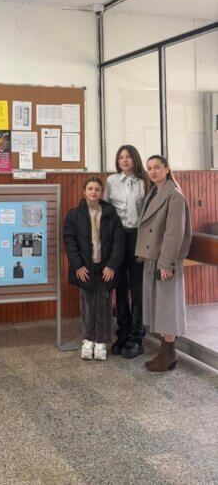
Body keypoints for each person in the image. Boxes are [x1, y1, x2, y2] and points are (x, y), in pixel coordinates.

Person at [135, 155, 191, 372]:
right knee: (159, 308)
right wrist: (143, 252)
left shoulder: (174, 195)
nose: (152, 171)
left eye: (157, 167)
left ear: (167, 169)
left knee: (167, 309)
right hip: (153, 259)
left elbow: (174, 234)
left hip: (165, 262)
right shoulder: (154, 193)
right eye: (149, 168)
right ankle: (166, 353)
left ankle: (168, 354)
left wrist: (166, 264)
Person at [64, 177, 125, 361]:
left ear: (101, 192)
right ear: (84, 191)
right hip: (85, 268)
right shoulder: (73, 215)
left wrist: (112, 265)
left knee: (104, 306)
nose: (93, 192)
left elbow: (119, 241)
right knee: (87, 305)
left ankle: (101, 342)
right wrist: (78, 266)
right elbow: (70, 241)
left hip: (105, 268)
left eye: (97, 189)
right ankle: (88, 340)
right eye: (90, 188)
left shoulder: (111, 213)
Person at [104, 145, 148, 358]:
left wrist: (146, 245)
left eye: (128, 156)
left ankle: (137, 337)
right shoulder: (111, 180)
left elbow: (150, 215)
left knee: (137, 287)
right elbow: (105, 209)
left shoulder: (144, 181)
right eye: (121, 157)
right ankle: (123, 333)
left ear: (135, 159)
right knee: (120, 286)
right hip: (118, 237)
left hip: (138, 236)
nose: (124, 160)